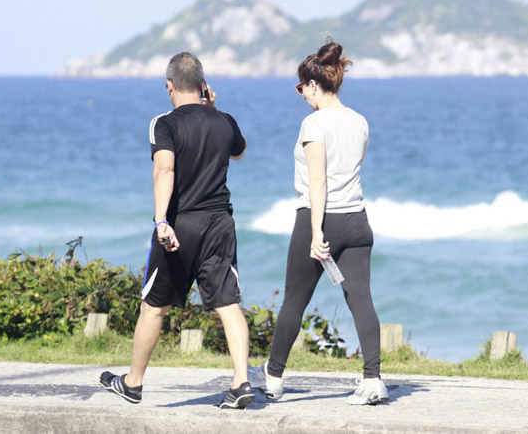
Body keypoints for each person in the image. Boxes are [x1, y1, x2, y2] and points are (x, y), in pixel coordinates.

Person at [99, 52, 254, 409]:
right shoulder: (224, 120)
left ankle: (133, 383)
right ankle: (242, 381)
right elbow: (240, 152)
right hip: (219, 221)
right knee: (228, 304)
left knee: (154, 307)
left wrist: (160, 221)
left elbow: (164, 170)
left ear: (169, 86)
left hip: (181, 223)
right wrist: (215, 109)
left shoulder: (163, 124)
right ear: (203, 86)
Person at [248, 40, 389, 405]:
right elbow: (352, 170)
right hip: (357, 221)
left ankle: (274, 377)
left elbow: (318, 181)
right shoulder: (360, 121)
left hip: (322, 219)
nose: (301, 96)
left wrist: (315, 233)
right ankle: (372, 379)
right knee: (362, 301)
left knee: (294, 300)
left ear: (313, 84)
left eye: (301, 89)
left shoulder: (313, 122)